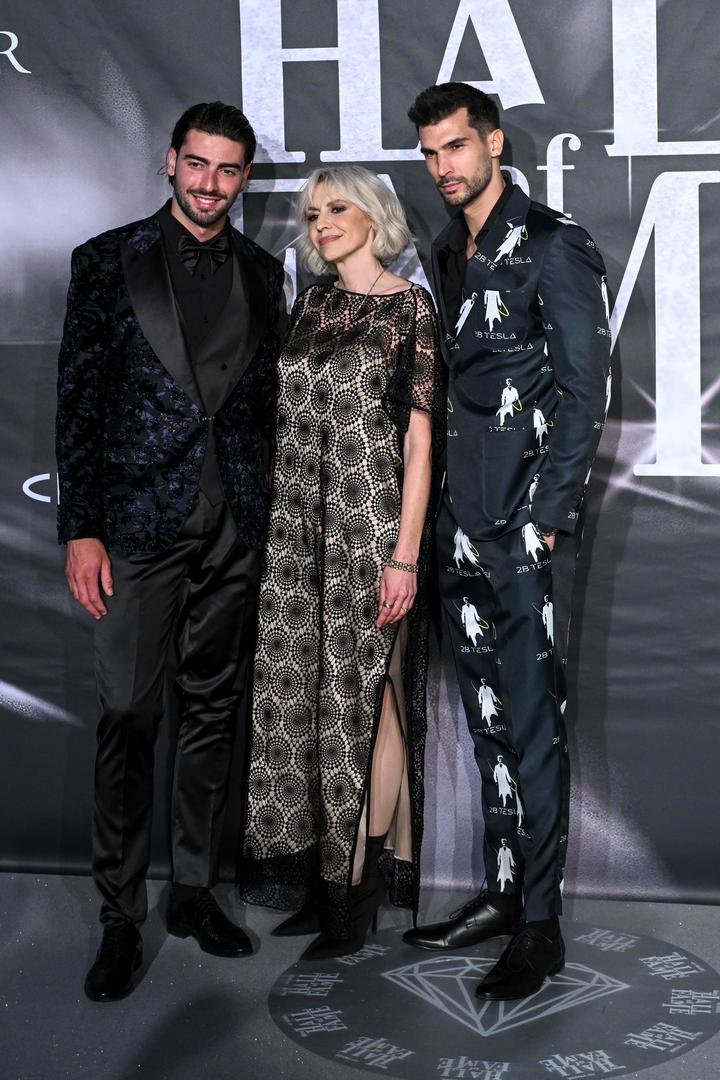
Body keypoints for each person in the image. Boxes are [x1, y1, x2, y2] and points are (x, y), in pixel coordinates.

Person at [56, 101, 286, 1001]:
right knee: (126, 713)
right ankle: (121, 916)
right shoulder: (104, 260)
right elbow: (78, 401)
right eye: (197, 164)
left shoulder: (266, 273)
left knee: (212, 713)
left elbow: (261, 410)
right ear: (170, 162)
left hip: (234, 527)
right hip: (135, 528)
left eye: (228, 170)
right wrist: (81, 526)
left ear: (244, 177)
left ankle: (193, 892)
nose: (210, 184)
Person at [403, 82, 610, 1000]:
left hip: (523, 529)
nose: (442, 166)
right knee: (486, 719)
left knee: (532, 722)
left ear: (493, 143)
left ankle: (540, 926)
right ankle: (498, 891)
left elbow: (586, 390)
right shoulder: (448, 249)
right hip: (459, 524)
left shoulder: (555, 244)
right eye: (430, 153)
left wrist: (546, 518)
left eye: (455, 146)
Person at [239, 165, 443, 960]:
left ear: (373, 216)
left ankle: (357, 887)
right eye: (311, 212)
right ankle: (326, 876)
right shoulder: (312, 305)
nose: (320, 222)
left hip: (370, 531)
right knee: (308, 705)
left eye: (337, 208)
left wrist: (404, 556)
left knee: (371, 701)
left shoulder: (409, 308)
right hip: (297, 532)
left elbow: (421, 445)